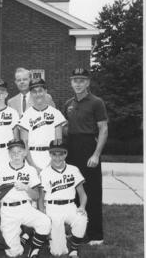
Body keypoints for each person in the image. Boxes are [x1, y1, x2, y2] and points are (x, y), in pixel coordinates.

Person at [63, 68, 108, 245]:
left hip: (89, 147)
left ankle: (96, 234)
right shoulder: (68, 103)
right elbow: (66, 127)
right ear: (71, 82)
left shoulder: (97, 102)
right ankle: (78, 232)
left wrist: (96, 154)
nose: (78, 83)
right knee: (74, 190)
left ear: (88, 82)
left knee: (92, 192)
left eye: (82, 80)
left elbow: (103, 129)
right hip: (71, 147)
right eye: (75, 80)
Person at [0, 139, 51, 258]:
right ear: (8, 153)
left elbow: (36, 196)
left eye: (19, 151)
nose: (16, 155)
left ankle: (34, 249)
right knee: (13, 253)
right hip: (8, 211)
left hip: (25, 207)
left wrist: (26, 188)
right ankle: (21, 238)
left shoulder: (30, 170)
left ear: (24, 152)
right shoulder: (1, 169)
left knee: (45, 222)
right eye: (12, 152)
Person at [39, 140, 88, 257]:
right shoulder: (44, 173)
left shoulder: (73, 169)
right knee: (58, 252)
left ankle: (74, 249)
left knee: (81, 218)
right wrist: (43, 214)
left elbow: (82, 194)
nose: (57, 158)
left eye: (61, 154)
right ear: (49, 154)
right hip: (52, 207)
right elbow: (41, 198)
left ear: (66, 154)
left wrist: (82, 206)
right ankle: (54, 237)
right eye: (54, 154)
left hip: (70, 206)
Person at [18, 78, 66, 171]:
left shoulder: (56, 113)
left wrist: (51, 163)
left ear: (46, 91)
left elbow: (58, 142)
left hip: (52, 156)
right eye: (34, 92)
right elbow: (25, 144)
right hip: (32, 157)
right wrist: (33, 166)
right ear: (31, 94)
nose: (37, 94)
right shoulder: (26, 115)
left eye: (40, 91)